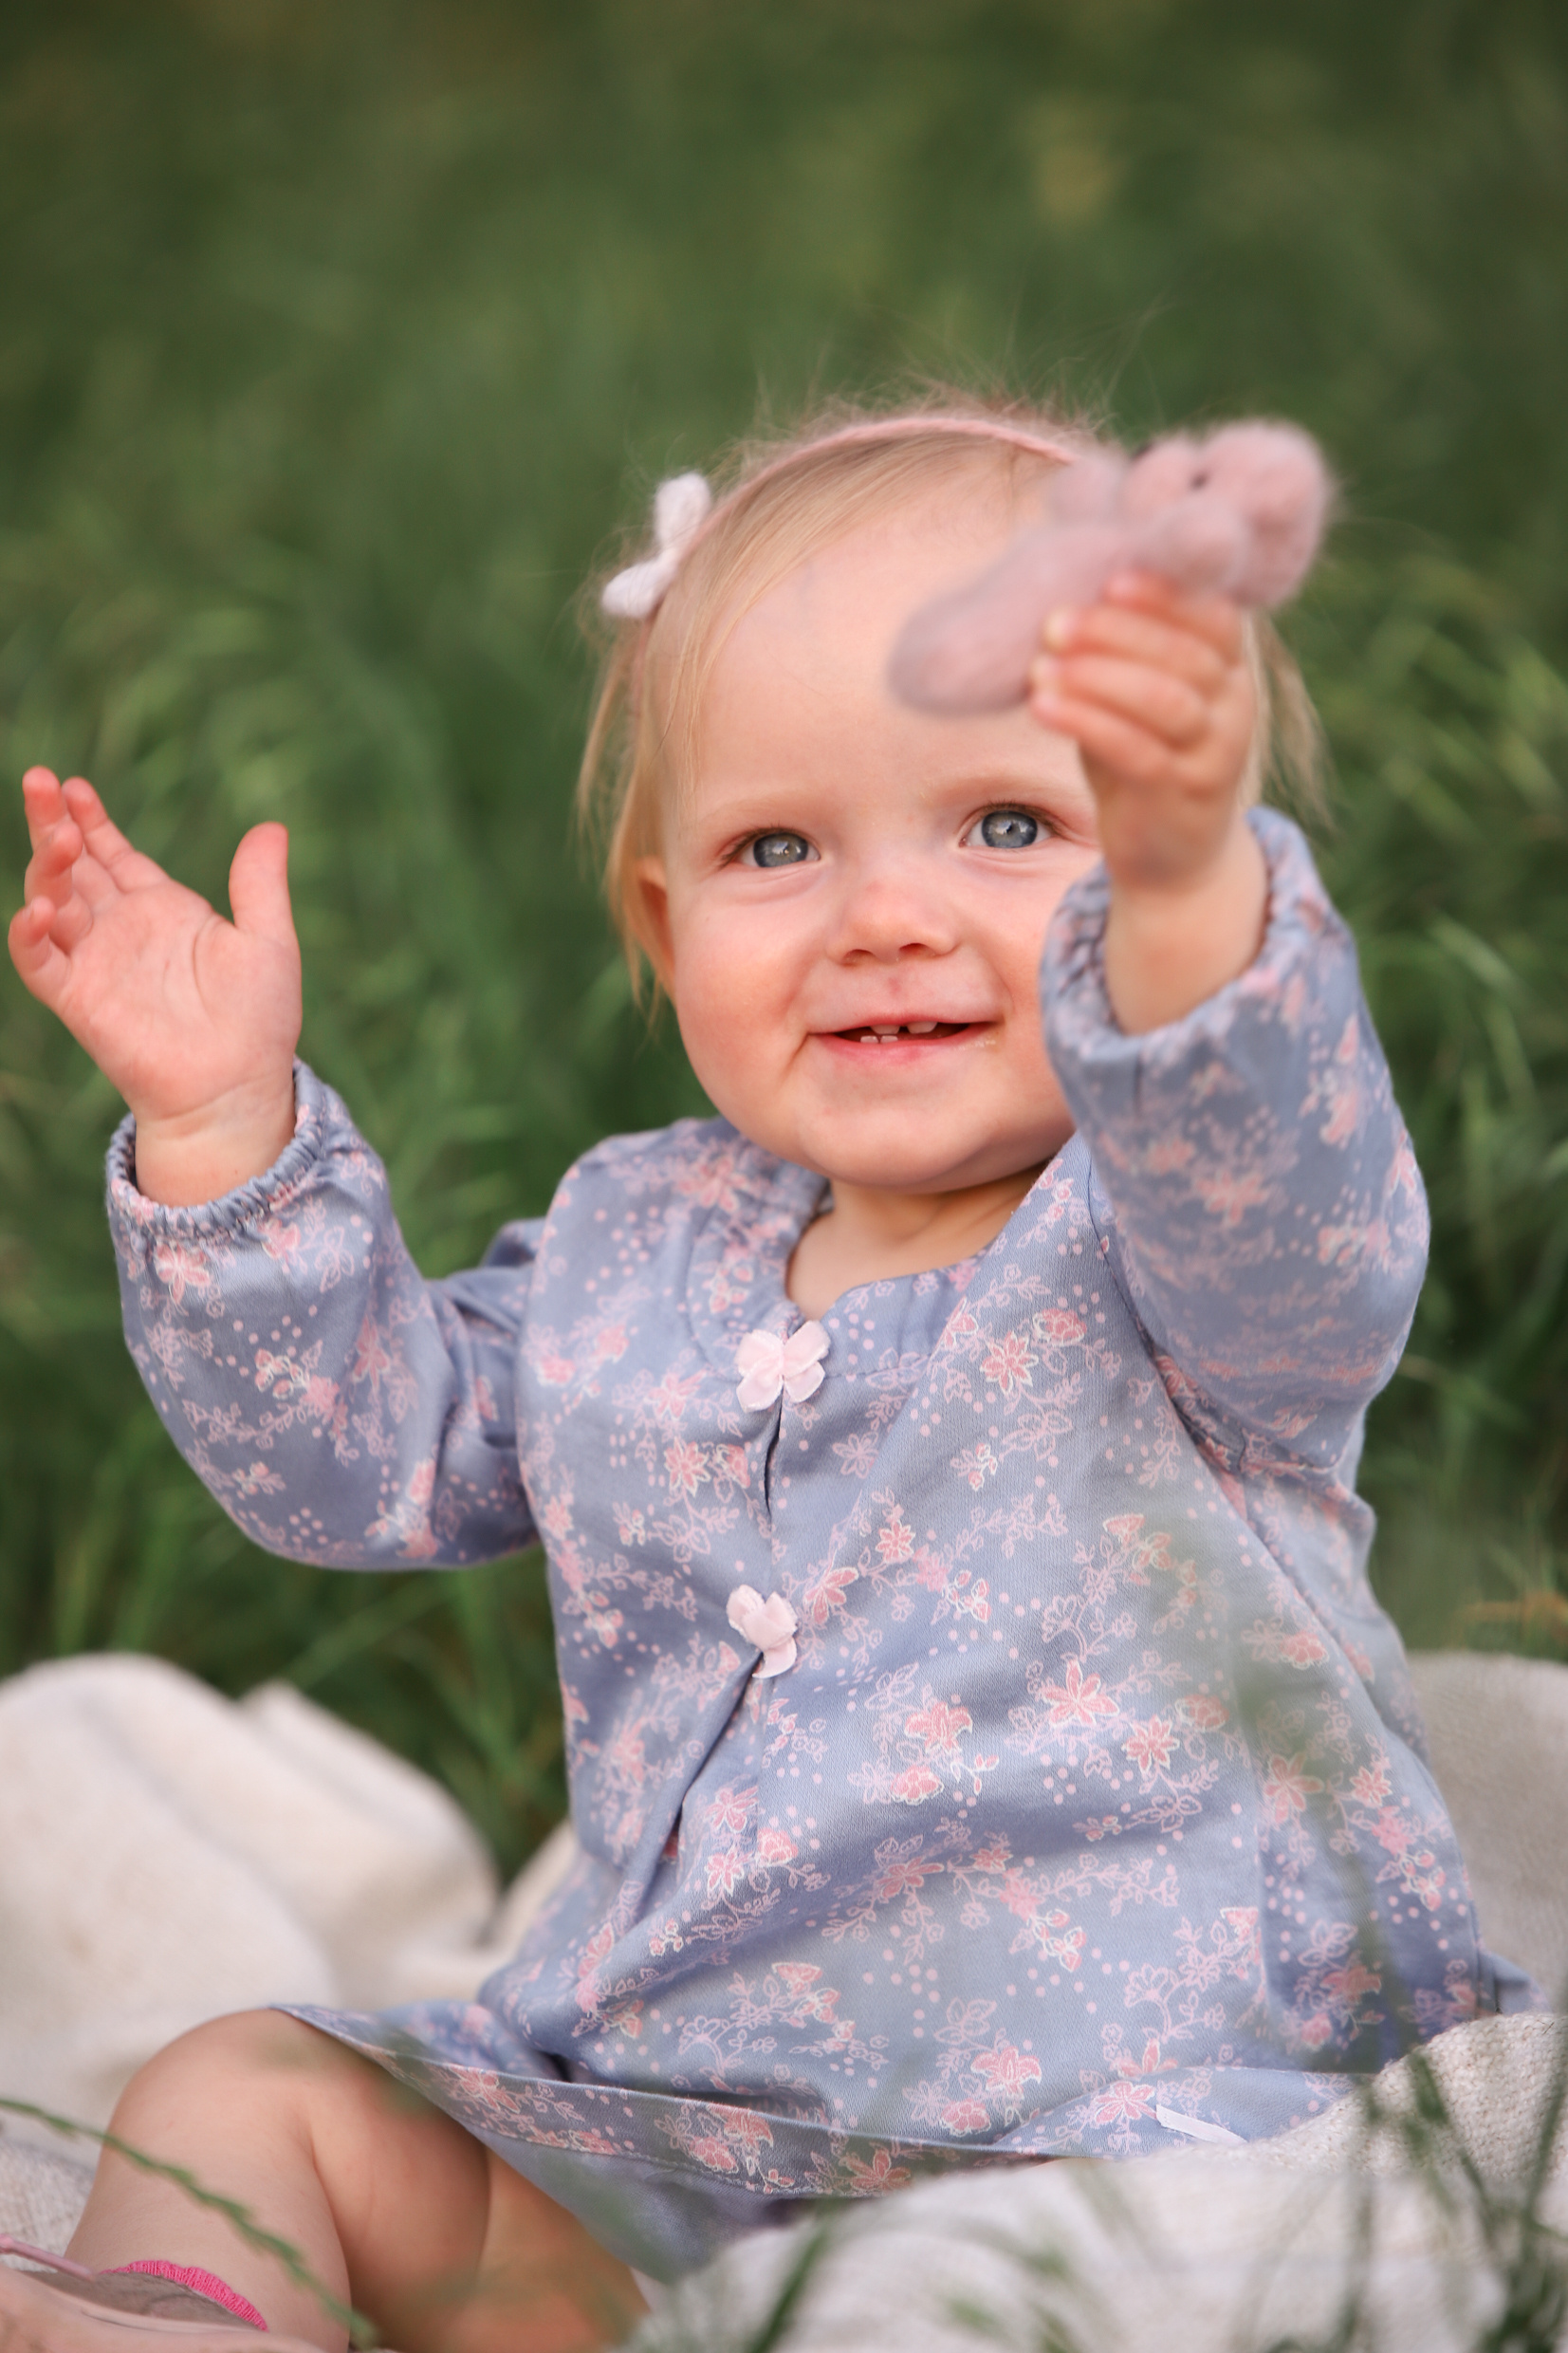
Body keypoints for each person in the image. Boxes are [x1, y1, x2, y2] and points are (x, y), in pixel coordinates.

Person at [4, 398, 1533, 2353]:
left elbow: (1285, 1198)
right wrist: (222, 1129)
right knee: (239, 2092)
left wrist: (1179, 910)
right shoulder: (635, 1246)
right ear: (663, 920)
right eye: (772, 845)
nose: (879, 910)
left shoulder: (1180, 1254)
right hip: (654, 2151)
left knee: (941, 2308)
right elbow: (359, 1456)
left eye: (1008, 824)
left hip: (1104, 2148)